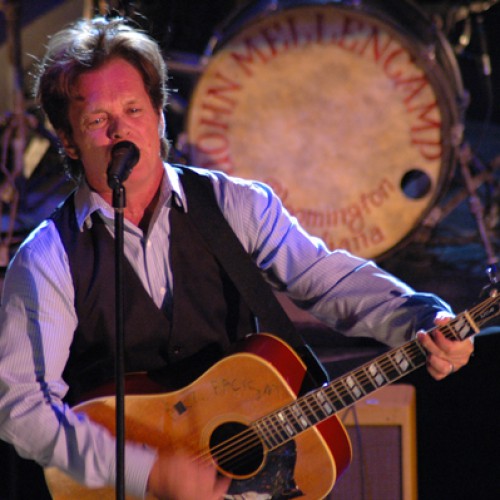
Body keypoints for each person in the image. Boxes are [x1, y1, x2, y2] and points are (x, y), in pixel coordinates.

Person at [0, 16, 474, 500]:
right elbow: (21, 408)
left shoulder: (235, 204)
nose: (122, 133)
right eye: (98, 121)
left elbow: (326, 279)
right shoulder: (46, 258)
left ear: (160, 116)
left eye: (134, 110)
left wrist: (421, 316)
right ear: (68, 141)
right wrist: (147, 472)